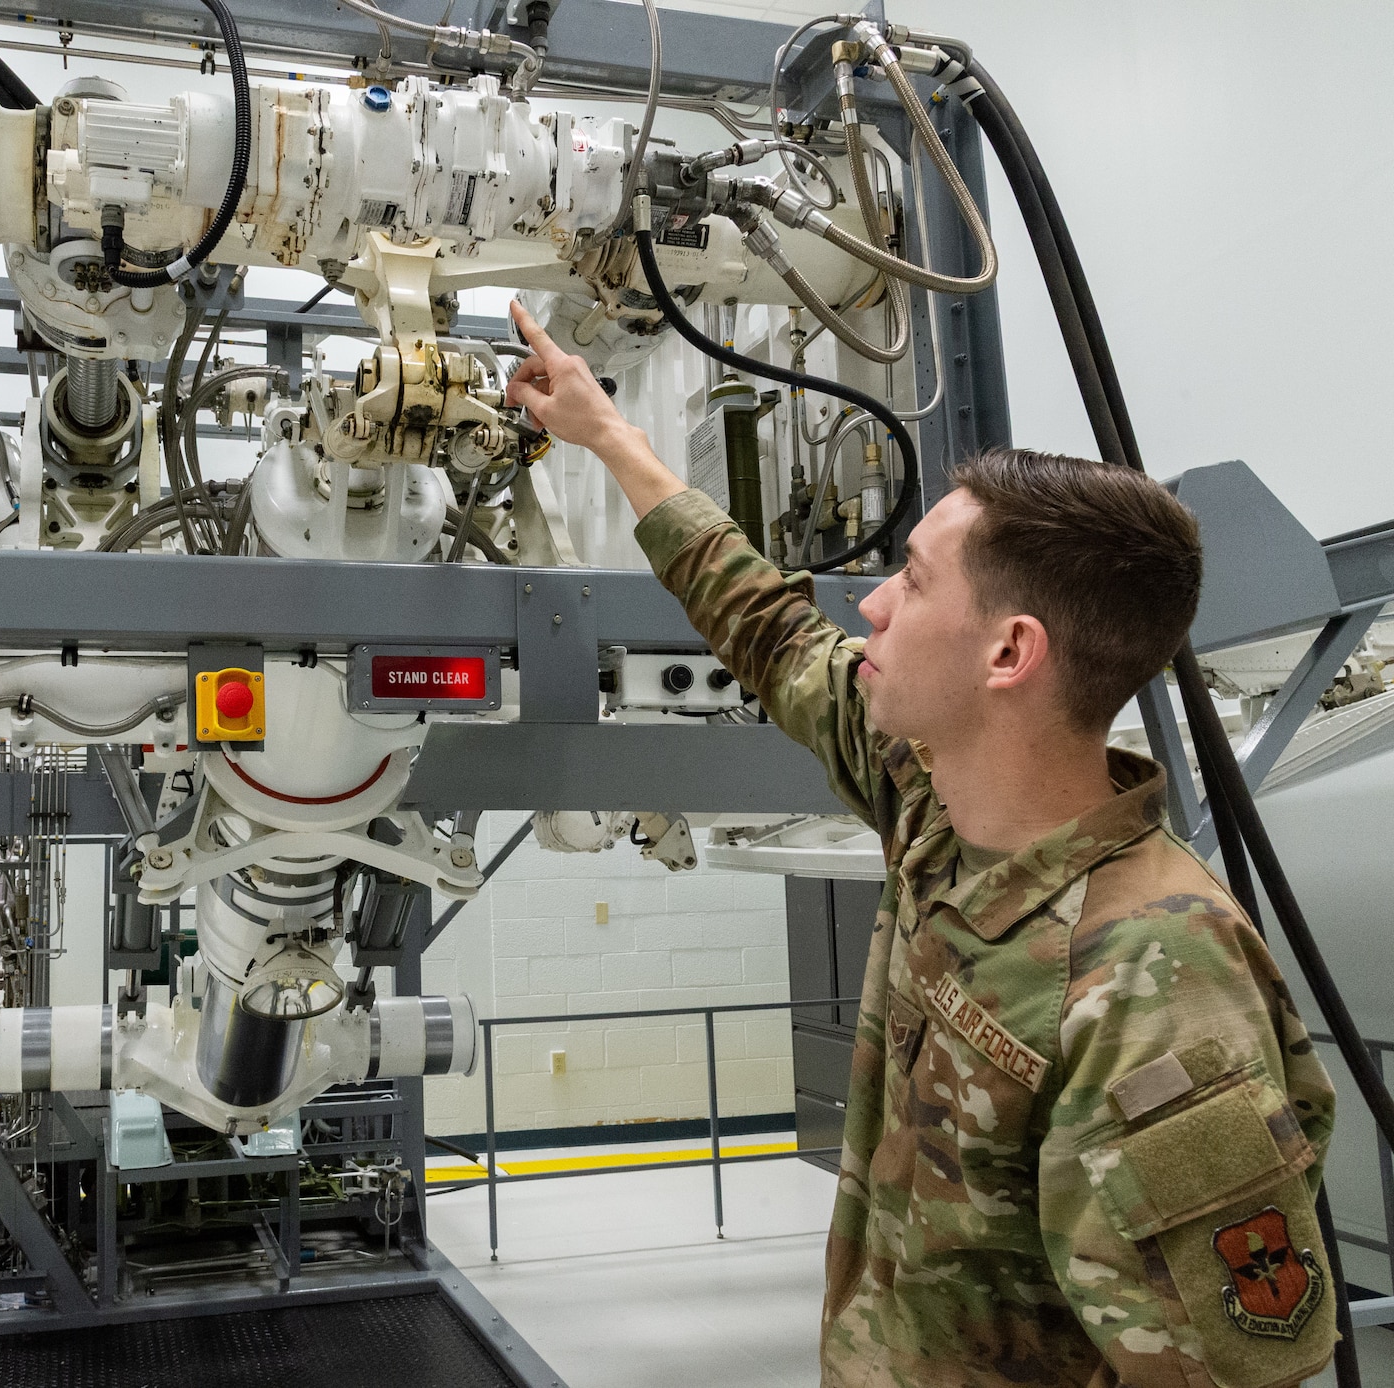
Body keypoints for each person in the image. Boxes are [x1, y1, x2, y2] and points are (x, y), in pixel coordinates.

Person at [504, 302, 1339, 1388]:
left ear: (1007, 650)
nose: (872, 603)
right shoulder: (932, 814)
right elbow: (765, 624)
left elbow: (1221, 1375)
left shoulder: (1151, 980)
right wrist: (607, 435)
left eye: (911, 577)